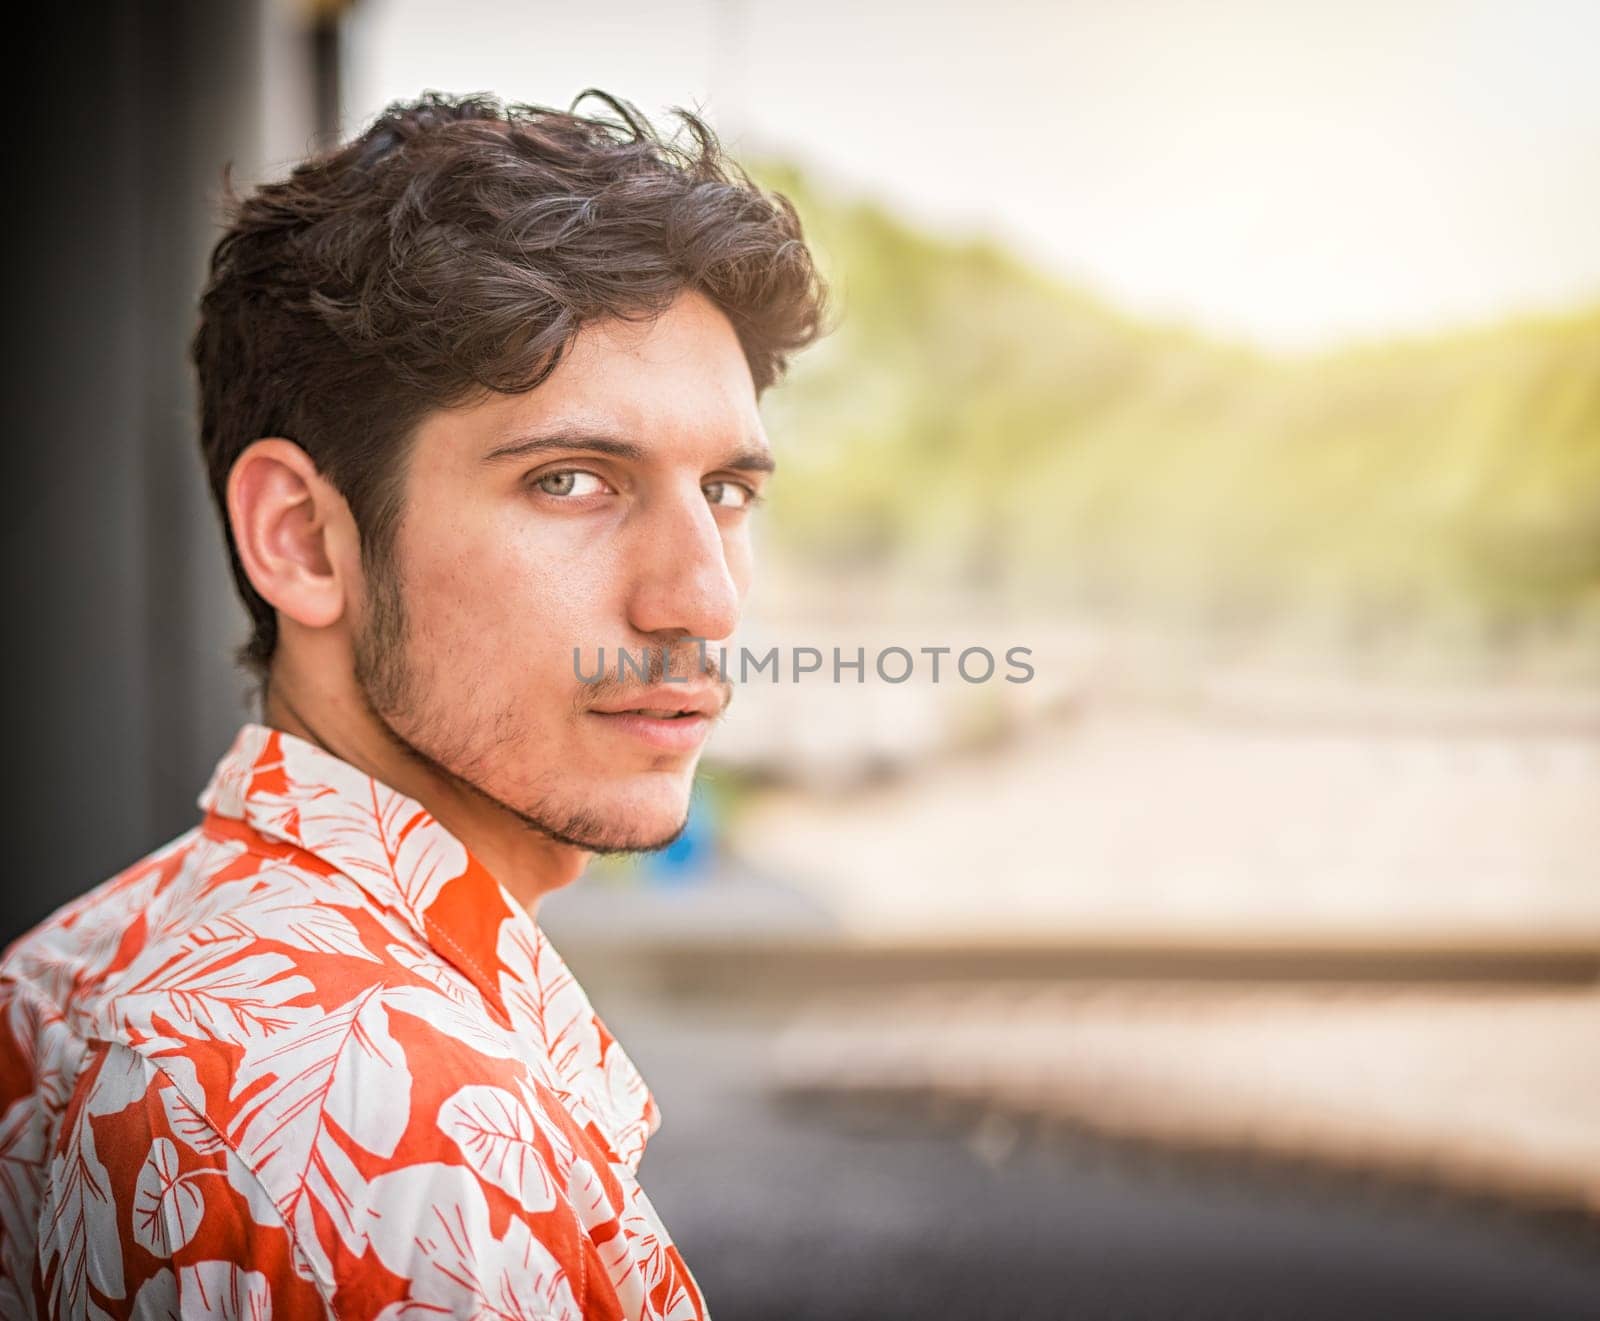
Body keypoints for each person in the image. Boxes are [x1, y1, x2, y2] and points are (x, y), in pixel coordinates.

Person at [0, 89, 828, 1319]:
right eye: (570, 479)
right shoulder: (403, 1135)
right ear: (304, 540)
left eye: (726, 491)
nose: (699, 600)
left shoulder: (60, 971)